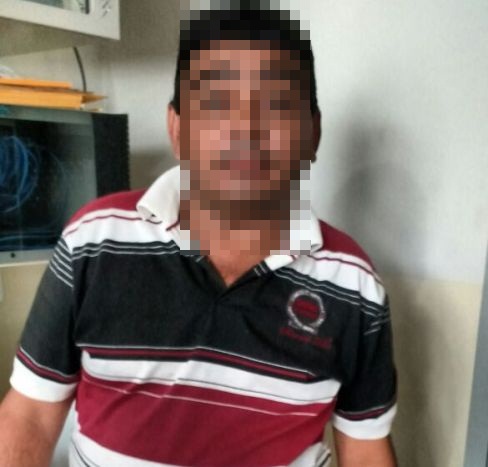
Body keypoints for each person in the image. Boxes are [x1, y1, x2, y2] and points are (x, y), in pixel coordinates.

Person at [0, 3, 397, 466]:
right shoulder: (94, 241)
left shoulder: (354, 284)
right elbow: (29, 415)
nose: (245, 129)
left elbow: (365, 447)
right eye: (217, 102)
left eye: (275, 104)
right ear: (177, 128)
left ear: (312, 134)